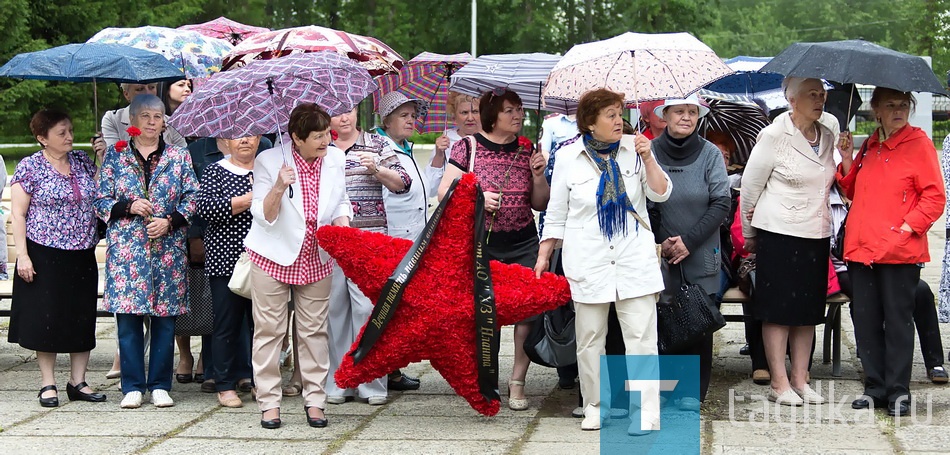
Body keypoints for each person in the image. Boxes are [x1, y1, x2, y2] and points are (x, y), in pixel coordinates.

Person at [534, 88, 671, 433]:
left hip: (633, 258)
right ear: (590, 123)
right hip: (588, 260)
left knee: (640, 337)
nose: (617, 120)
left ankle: (646, 411)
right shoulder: (568, 157)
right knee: (590, 337)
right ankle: (596, 405)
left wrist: (649, 157)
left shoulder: (634, 148)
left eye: (619, 113)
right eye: (609, 114)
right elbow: (557, 211)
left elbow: (661, 193)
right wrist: (544, 252)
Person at [837, 87, 946, 416]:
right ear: (876, 110)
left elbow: (934, 197)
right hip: (861, 246)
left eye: (903, 105)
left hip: (899, 250)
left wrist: (908, 228)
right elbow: (852, 187)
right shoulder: (871, 143)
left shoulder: (919, 144)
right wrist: (845, 158)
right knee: (866, 319)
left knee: (898, 321)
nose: (898, 110)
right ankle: (875, 386)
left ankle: (899, 391)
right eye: (890, 105)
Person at [439, 88, 549, 411]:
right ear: (492, 115)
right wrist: (478, 198)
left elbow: (539, 202)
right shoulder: (467, 147)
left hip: (523, 241)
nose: (518, 116)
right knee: (488, 315)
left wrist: (539, 177)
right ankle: (487, 381)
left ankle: (518, 381)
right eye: (510, 111)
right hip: (482, 245)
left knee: (527, 312)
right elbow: (445, 191)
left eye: (520, 110)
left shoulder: (528, 148)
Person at [244, 103, 352, 429]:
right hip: (272, 257)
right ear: (296, 137)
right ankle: (269, 403)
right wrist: (278, 185)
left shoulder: (335, 159)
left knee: (314, 333)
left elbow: (341, 201)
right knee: (269, 331)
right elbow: (263, 216)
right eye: (317, 136)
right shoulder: (270, 159)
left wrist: (343, 229)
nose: (324, 141)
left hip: (316, 258)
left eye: (326, 134)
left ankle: (315, 400)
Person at [94, 94, 198, 409]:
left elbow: (193, 198)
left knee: (165, 321)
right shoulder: (116, 155)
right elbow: (99, 201)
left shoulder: (179, 156)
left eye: (158, 117)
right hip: (128, 254)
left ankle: (160, 385)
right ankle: (133, 385)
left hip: (167, 251)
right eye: (146, 117)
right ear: (134, 121)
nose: (152, 123)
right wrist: (128, 205)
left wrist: (170, 221)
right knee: (127, 320)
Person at [740, 77, 839, 407]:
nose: (819, 100)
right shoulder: (773, 135)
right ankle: (779, 383)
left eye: (822, 95)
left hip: (816, 231)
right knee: (779, 309)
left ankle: (800, 378)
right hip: (779, 232)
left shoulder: (827, 134)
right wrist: (750, 235)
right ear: (792, 100)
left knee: (808, 310)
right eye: (812, 95)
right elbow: (750, 189)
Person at [7, 109, 107, 407]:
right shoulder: (31, 167)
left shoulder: (81, 162)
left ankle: (78, 381)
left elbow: (98, 195)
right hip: (44, 251)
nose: (70, 137)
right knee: (45, 318)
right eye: (61, 133)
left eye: (70, 130)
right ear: (42, 138)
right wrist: (22, 256)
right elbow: (18, 214)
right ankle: (47, 383)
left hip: (81, 251)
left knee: (81, 315)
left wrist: (100, 160)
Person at [326, 107, 411, 406]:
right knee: (334, 312)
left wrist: (377, 169)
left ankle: (371, 384)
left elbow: (403, 183)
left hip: (369, 241)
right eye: (336, 113)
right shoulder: (322, 145)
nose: (344, 118)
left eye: (348, 111)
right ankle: (339, 382)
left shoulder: (377, 144)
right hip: (333, 242)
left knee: (367, 312)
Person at [650, 95, 730, 408]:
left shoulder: (710, 153)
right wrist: (663, 240)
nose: (686, 117)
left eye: (692, 112)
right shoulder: (651, 152)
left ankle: (692, 391)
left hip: (700, 250)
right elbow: (644, 202)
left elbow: (721, 202)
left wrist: (688, 241)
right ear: (665, 116)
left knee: (698, 316)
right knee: (664, 316)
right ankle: (667, 387)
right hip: (660, 250)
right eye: (679, 111)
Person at [373, 91, 442, 390]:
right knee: (387, 304)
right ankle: (387, 371)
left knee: (400, 307)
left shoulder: (405, 147)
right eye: (404, 115)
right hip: (392, 235)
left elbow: (423, 187)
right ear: (387, 120)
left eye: (413, 115)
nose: (412, 120)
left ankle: (393, 368)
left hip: (412, 236)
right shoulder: (379, 148)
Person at [197, 135, 266, 408]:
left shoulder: (268, 170)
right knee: (226, 323)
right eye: (238, 135)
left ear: (260, 138)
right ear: (226, 140)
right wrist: (248, 199)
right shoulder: (216, 170)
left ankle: (259, 380)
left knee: (262, 325)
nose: (245, 140)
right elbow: (205, 209)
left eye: (251, 135)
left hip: (264, 258)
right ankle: (224, 383)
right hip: (226, 259)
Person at [97, 83, 186, 149]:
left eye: (151, 87)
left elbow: (183, 158)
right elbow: (113, 159)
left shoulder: (171, 122)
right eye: (140, 89)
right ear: (126, 94)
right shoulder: (113, 119)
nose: (147, 93)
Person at [438, 91, 482, 160]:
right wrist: (439, 154)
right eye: (464, 112)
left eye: (475, 112)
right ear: (454, 116)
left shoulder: (492, 139)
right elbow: (434, 170)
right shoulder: (447, 138)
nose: (470, 118)